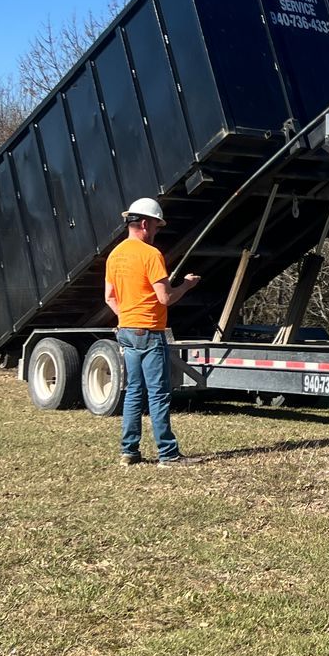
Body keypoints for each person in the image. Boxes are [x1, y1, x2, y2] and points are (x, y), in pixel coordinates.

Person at [104, 197, 200, 466]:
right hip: (150, 331)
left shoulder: (115, 255)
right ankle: (167, 454)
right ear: (145, 224)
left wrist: (128, 317)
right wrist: (186, 285)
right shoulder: (151, 255)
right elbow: (165, 298)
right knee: (158, 392)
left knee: (134, 390)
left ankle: (129, 451)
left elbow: (109, 297)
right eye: (157, 226)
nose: (157, 231)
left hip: (127, 329)